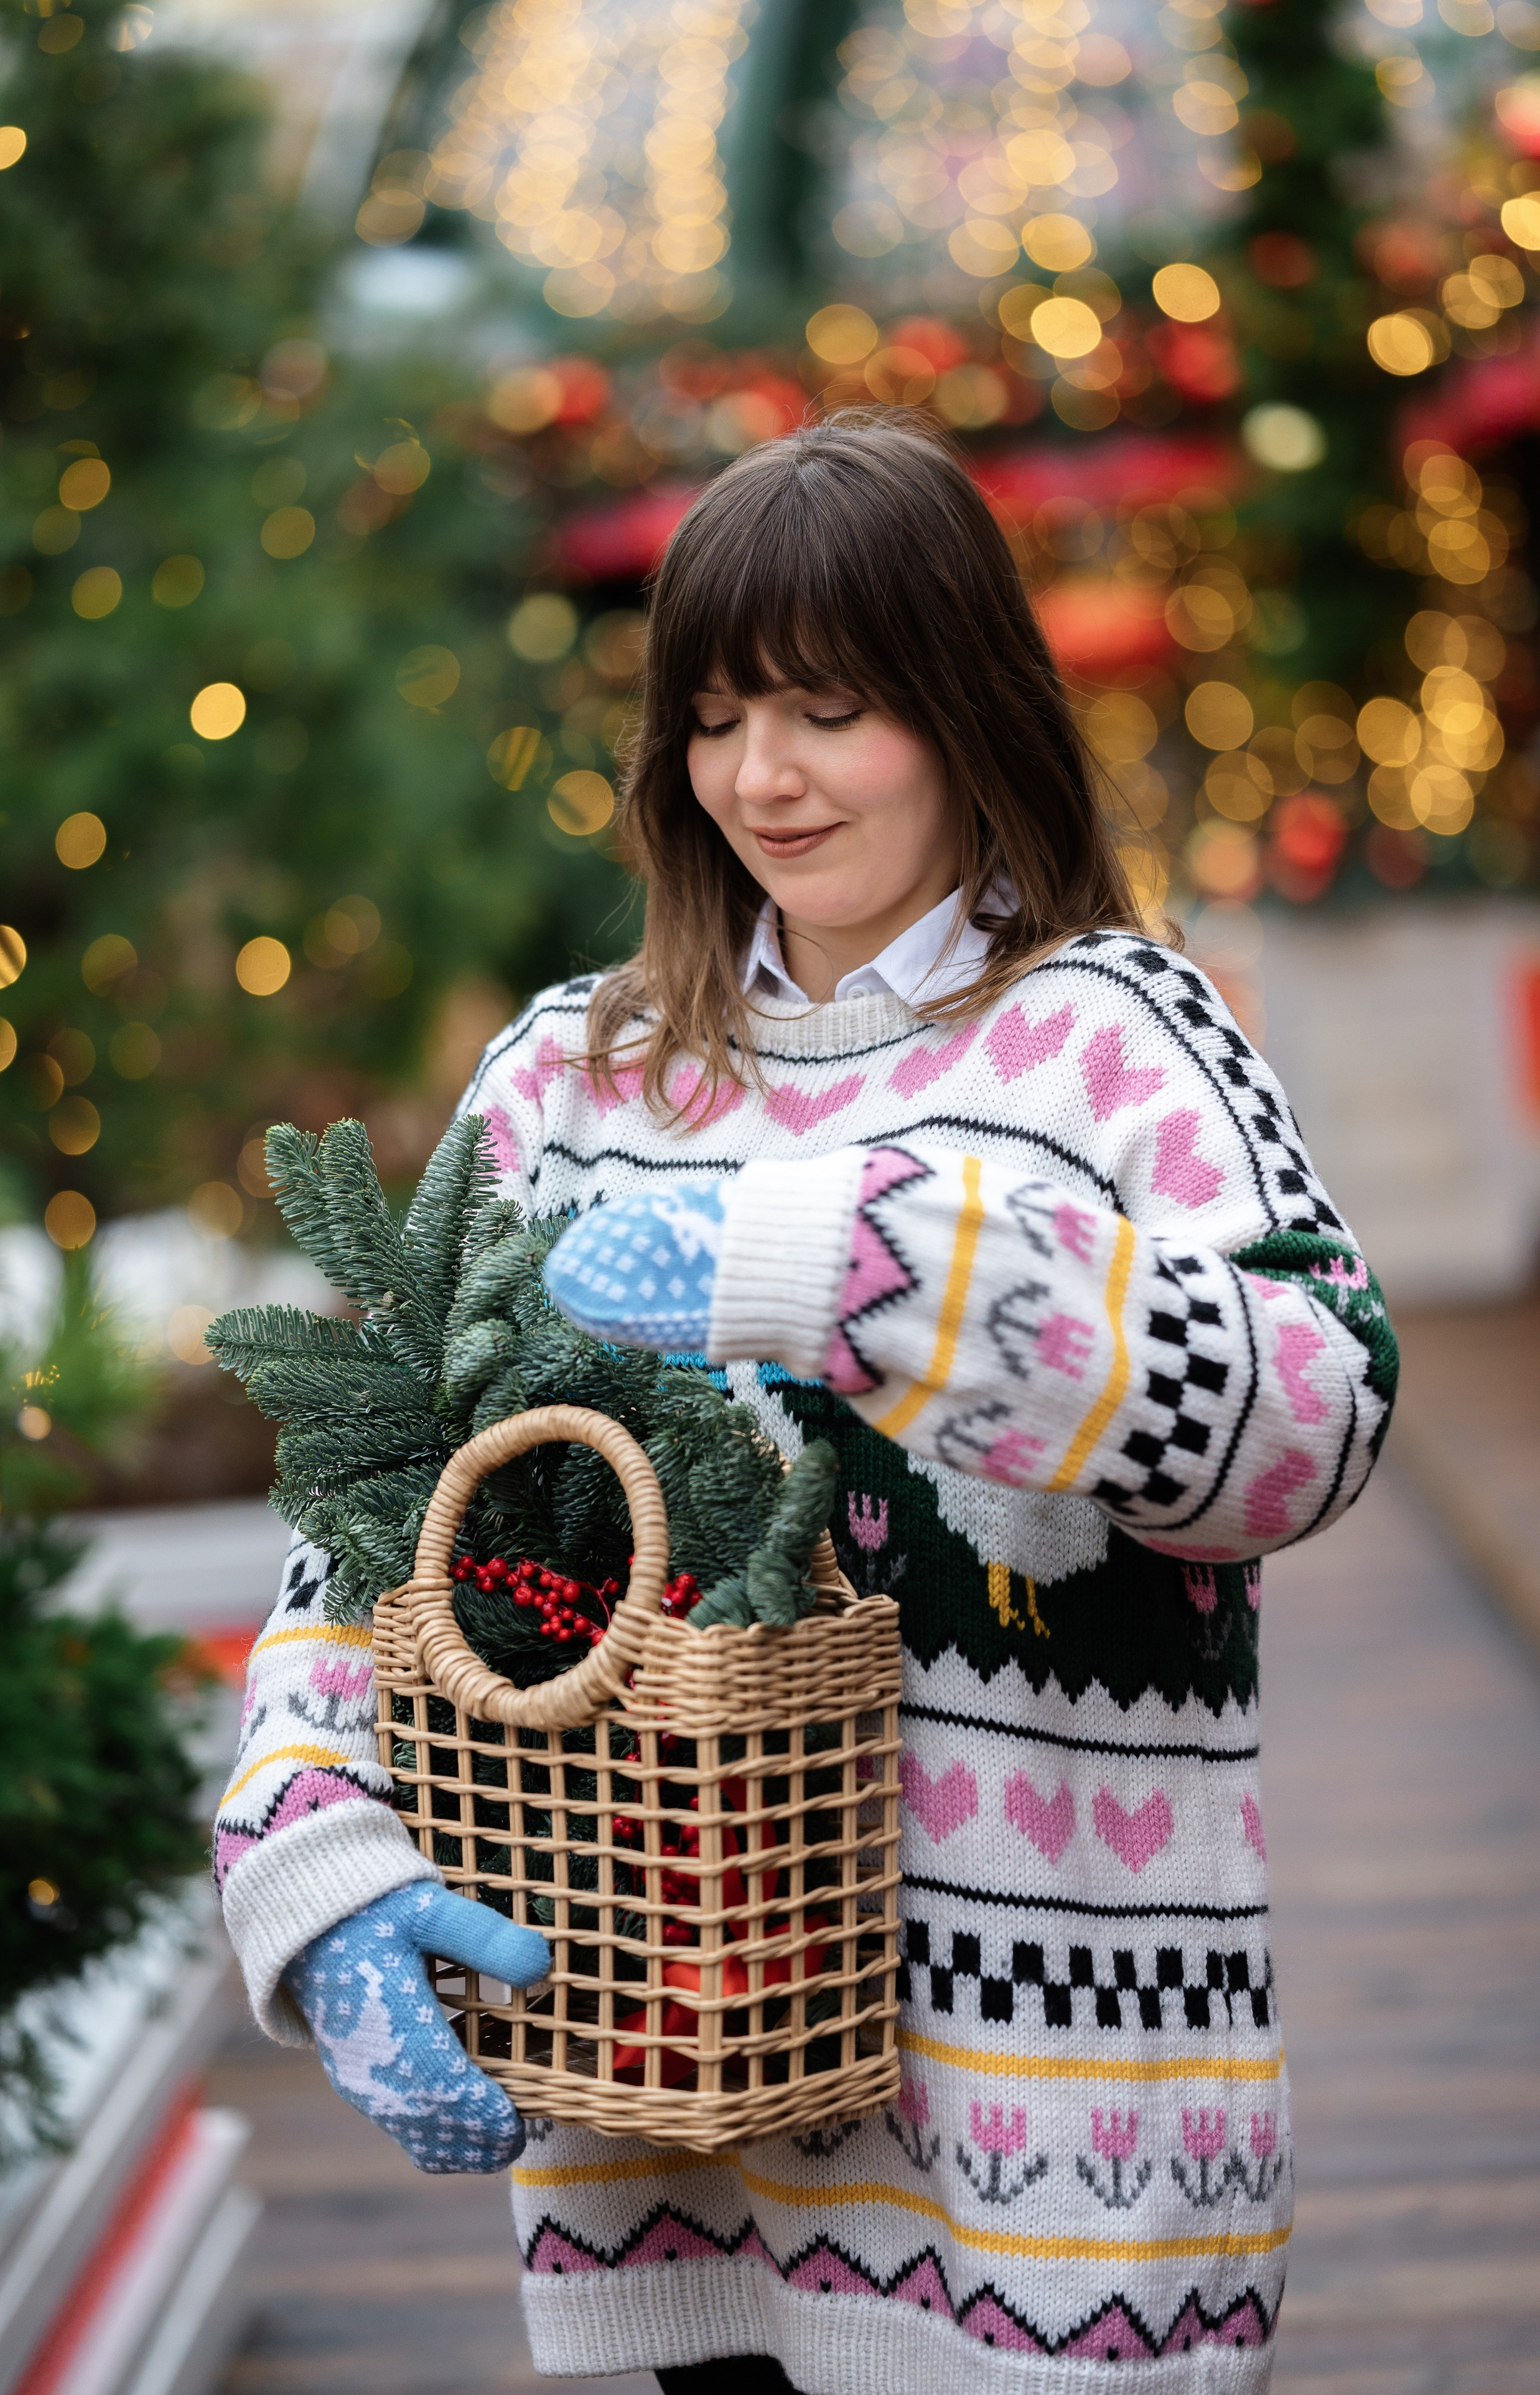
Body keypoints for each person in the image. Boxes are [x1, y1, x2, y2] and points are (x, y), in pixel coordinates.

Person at [215, 415, 1396, 2394]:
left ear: (961, 709)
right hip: (664, 2126)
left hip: (1052, 2162)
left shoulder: (1117, 1039)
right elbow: (372, 1519)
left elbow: (1313, 1428)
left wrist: (874, 1271)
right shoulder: (573, 1084)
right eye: (712, 717)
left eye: (830, 709)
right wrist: (315, 1861)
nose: (760, 776)